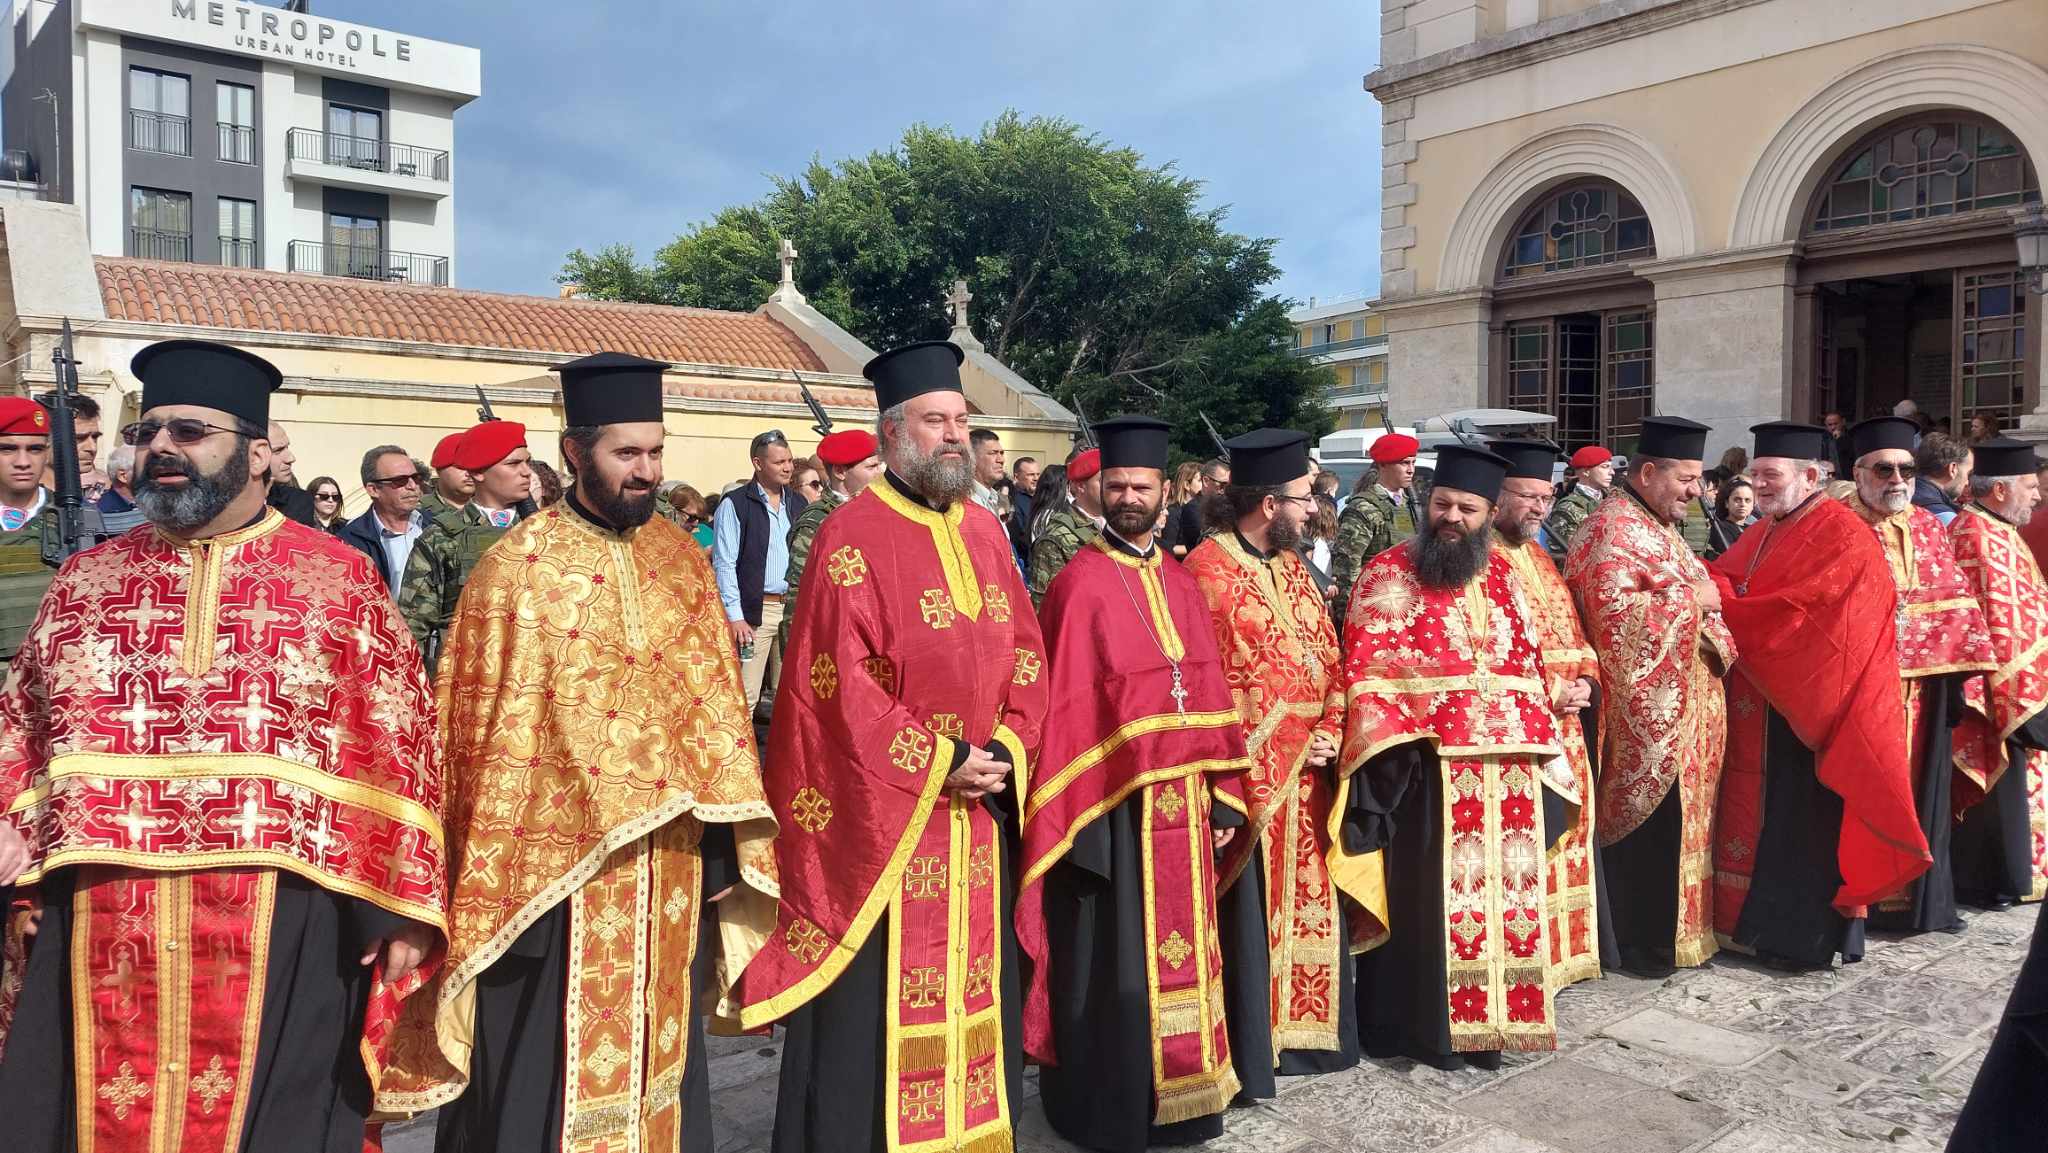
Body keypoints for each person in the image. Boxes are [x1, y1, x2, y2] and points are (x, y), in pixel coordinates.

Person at [0, 339, 445, 1153]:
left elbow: (398, 744)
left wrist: (397, 903)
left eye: (191, 431)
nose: (163, 447)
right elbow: (23, 733)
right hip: (97, 904)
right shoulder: (87, 582)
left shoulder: (338, 578)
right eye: (150, 431)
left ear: (256, 453)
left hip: (288, 908)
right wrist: (20, 870)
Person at [374, 352, 776, 1153]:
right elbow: (476, 732)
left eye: (656, 452)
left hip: (667, 866)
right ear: (574, 452)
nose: (647, 471)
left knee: (663, 1058)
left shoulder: (681, 559)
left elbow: (715, 709)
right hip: (549, 880)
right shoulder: (512, 570)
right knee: (535, 1077)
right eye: (627, 453)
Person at [742, 340, 1047, 1153]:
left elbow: (1026, 652)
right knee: (873, 1011)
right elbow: (839, 687)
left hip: (980, 815)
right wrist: (943, 760)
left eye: (960, 419)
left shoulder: (986, 531)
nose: (953, 435)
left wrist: (1010, 746)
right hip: (890, 823)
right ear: (892, 432)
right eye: (934, 419)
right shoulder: (852, 535)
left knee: (978, 982)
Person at [1021, 414, 1257, 1150]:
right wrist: (1080, 816)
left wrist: (1223, 791)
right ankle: (1108, 1103)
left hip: (1185, 808)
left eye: (1141, 485)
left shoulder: (1185, 585)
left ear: (1163, 492)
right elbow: (1064, 711)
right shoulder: (1076, 585)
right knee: (1110, 956)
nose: (1128, 495)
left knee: (1187, 955)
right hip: (1111, 815)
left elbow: (1213, 695)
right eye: (1116, 484)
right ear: (1098, 490)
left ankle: (1188, 1096)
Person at [1341, 444, 1576, 1069]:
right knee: (1429, 908)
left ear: (1488, 511)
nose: (1450, 518)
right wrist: (1405, 738)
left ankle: (1491, 1026)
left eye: (1466, 509)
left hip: (1509, 774)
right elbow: (1367, 668)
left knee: (1502, 903)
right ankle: (1415, 1029)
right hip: (1426, 773)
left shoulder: (1504, 576)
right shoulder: (1386, 572)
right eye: (1441, 504)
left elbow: (1522, 660)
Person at [1186, 428, 1388, 1079]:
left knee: (1314, 907)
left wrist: (1333, 723)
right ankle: (1255, 1043)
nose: (1312, 509)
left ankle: (1313, 1037)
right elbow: (1200, 686)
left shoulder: (1295, 569)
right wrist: (1241, 769)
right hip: (1251, 787)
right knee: (1250, 922)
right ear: (1269, 502)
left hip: (1312, 782)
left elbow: (1329, 658)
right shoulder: (1205, 572)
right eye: (1302, 497)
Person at [1707, 424, 1925, 970]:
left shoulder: (1841, 532)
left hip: (1819, 706)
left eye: (1769, 475)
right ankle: (1759, 926)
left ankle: (1800, 941)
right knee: (1774, 818)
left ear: (1812, 476)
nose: (1758, 485)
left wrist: (1726, 605)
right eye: (1754, 475)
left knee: (1807, 821)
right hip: (1778, 704)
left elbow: (1810, 613)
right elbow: (1730, 576)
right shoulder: (1770, 527)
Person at [1564, 416, 1734, 976]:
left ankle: (1685, 933)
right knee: (1652, 834)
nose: (1697, 491)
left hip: (1688, 712)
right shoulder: (1613, 530)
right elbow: (1614, 619)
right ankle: (1646, 944)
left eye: (1700, 479)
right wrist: (1694, 601)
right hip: (1650, 715)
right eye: (1686, 478)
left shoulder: (1655, 525)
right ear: (1649, 471)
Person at [1842, 415, 1995, 935]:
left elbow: (1953, 600)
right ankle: (1866, 900)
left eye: (1905, 469)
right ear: (1859, 473)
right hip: (1861, 691)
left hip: (1924, 690)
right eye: (1883, 469)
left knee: (1918, 789)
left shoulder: (1928, 525)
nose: (1897, 481)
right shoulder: (1839, 525)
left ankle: (1915, 903)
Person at [1490, 440, 1606, 989]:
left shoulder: (1538, 555)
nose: (1540, 508)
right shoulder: (1479, 560)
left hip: (1566, 722)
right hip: (1524, 726)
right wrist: (1549, 689)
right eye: (1529, 497)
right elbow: (1486, 652)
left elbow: (1573, 629)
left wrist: (1585, 678)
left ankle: (1566, 956)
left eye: (1546, 496)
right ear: (1497, 498)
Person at [1947, 437, 2048, 909]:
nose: (2038, 495)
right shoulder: (1977, 535)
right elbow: (2002, 627)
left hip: (2017, 684)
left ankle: (2008, 874)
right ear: (2001, 490)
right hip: (1993, 692)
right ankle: (1991, 879)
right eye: (2030, 486)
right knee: (1994, 786)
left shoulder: (1997, 529)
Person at [400, 420, 533, 671]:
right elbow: (414, 626)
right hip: (464, 676)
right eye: (513, 464)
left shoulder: (546, 532)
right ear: (479, 472)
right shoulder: (442, 538)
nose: (526, 472)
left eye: (528, 462)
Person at [713, 428, 807, 718]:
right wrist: (736, 616)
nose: (788, 467)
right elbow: (725, 563)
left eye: (789, 460)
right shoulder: (736, 504)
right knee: (747, 695)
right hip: (756, 613)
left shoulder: (798, 503)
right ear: (758, 463)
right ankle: (739, 760)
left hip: (791, 608)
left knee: (788, 695)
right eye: (780, 462)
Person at [778, 427, 884, 651]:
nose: (880, 472)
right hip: (834, 641)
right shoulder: (817, 522)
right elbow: (799, 597)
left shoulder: (877, 514)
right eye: (872, 466)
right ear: (840, 472)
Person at [1329, 432, 1420, 629]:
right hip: (1374, 610)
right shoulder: (1364, 508)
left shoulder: (1412, 505)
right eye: (1404, 463)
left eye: (1413, 462)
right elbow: (1346, 569)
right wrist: (1351, 619)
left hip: (1408, 606)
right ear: (1383, 465)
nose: (1411, 470)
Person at [0, 398, 55, 669]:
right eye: (8, 449)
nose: (23, 462)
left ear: (47, 453)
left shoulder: (77, 519)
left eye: (34, 449)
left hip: (51, 678)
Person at [341, 445, 429, 595]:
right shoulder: (349, 542)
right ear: (373, 489)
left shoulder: (438, 525)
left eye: (416, 478)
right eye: (400, 480)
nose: (413, 486)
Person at [1029, 447, 1103, 606]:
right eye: (1102, 481)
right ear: (1080, 486)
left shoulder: (1118, 527)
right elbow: (1044, 605)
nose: (1111, 487)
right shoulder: (1056, 539)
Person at [1545, 445, 1613, 563]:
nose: (1612, 472)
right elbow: (1558, 554)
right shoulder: (1569, 508)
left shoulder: (1611, 500)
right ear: (1586, 471)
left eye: (1610, 467)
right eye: (1605, 467)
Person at [34, 389, 101, 502]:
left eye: (95, 437)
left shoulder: (95, 501)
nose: (92, 448)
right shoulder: (18, 503)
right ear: (43, 440)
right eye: (78, 438)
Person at [261, 419, 319, 527]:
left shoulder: (297, 502)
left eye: (287, 447)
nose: (291, 458)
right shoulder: (223, 503)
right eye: (278, 450)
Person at [1169, 457, 1231, 557]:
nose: (1225, 490)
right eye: (1222, 485)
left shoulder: (1226, 506)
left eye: (1228, 486)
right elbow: (1206, 542)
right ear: (1206, 481)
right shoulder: (1193, 509)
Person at [1911, 432, 1973, 527]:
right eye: (1968, 474)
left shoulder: (1901, 498)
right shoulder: (1947, 519)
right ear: (1952, 469)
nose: (1967, 482)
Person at [422, 430, 473, 517]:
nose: (470, 473)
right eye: (460, 467)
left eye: (476, 466)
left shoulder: (495, 509)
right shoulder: (419, 512)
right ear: (439, 470)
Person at [1162, 460, 1205, 560]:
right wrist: (1196, 547)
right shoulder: (1173, 512)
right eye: (1200, 480)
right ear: (1187, 485)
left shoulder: (1203, 510)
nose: (1204, 484)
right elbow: (1168, 547)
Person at [1707, 475, 1756, 561]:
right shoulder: (1717, 528)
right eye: (1737, 500)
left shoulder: (1755, 530)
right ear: (1727, 503)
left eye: (1747, 500)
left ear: (1753, 505)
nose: (1743, 504)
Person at [1008, 454, 1040, 562]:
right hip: (1023, 562)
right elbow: (1019, 537)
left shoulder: (1042, 497)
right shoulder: (1011, 500)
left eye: (1037, 474)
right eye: (1031, 475)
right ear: (1017, 477)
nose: (1036, 478)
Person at [970, 427, 1007, 515]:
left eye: (1001, 453)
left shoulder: (998, 499)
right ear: (972, 458)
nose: (1001, 460)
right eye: (993, 453)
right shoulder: (962, 503)